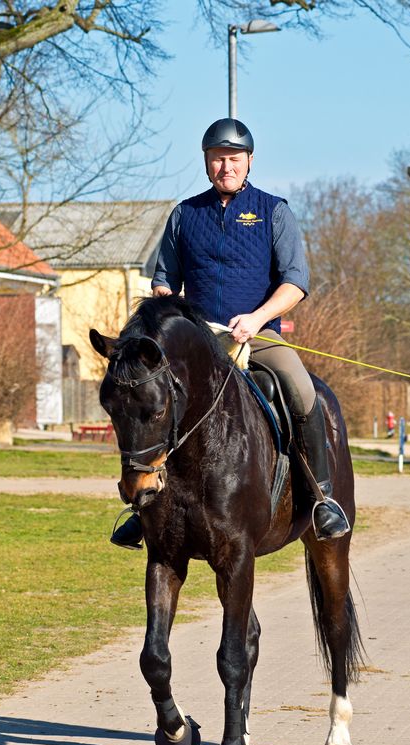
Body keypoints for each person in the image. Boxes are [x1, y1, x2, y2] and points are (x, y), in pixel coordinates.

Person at [111, 117, 350, 549]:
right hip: (198, 345)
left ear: (249, 161)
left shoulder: (274, 212)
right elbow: (164, 280)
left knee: (302, 391)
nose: (226, 167)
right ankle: (140, 509)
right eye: (218, 159)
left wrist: (257, 318)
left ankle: (322, 500)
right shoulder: (185, 215)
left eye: (234, 159)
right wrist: (166, 305)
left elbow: (295, 282)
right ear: (206, 162)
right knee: (146, 400)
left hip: (257, 337)